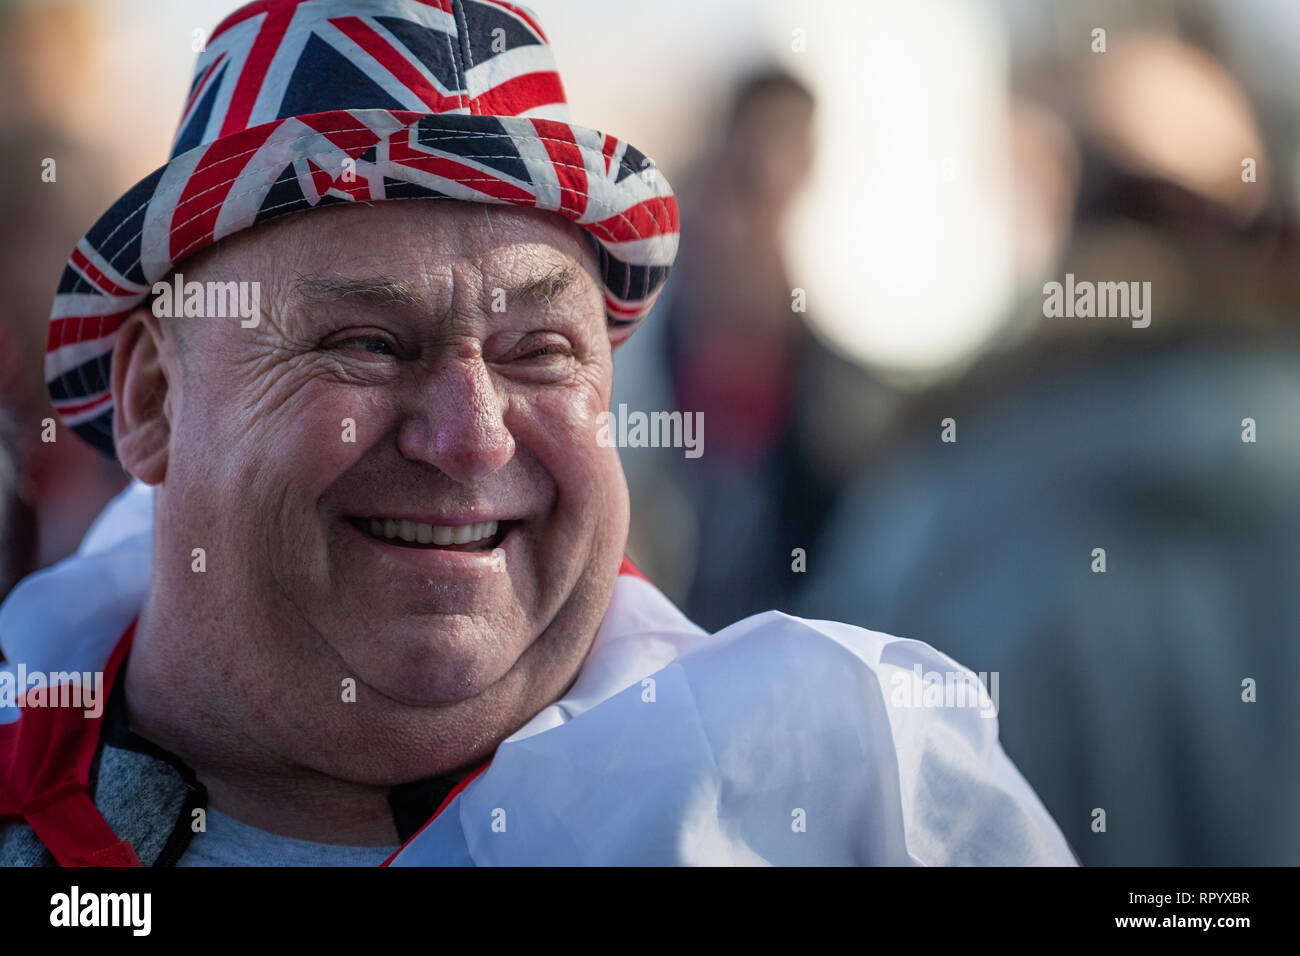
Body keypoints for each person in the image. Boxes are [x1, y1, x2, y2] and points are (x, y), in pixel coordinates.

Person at [0, 0, 1074, 866]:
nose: (473, 437)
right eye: (367, 342)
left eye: (540, 351)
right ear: (154, 399)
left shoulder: (853, 797)